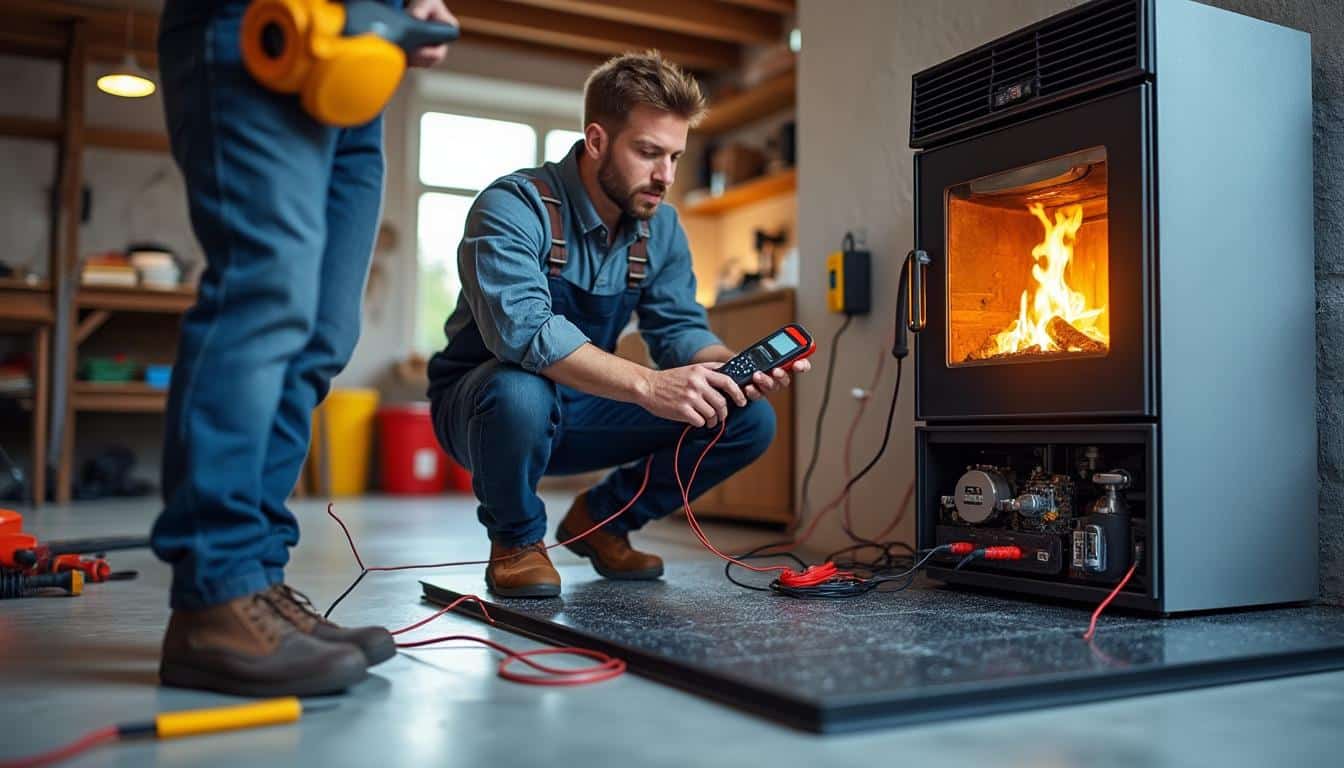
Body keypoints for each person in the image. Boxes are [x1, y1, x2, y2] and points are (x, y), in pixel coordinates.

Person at [150, 0, 457, 697]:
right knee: (265, 298)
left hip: (362, 53)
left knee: (322, 333)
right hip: (265, 23)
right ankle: (213, 593)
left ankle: (257, 579)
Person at [427, 51, 810, 599]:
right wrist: (650, 385)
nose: (666, 176)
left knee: (748, 420)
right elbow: (524, 333)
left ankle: (603, 521)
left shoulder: (662, 227)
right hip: (484, 411)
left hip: (582, 407)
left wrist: (723, 370)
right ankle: (516, 541)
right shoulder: (512, 206)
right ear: (597, 140)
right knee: (520, 388)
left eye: (675, 156)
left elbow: (677, 327)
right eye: (649, 153)